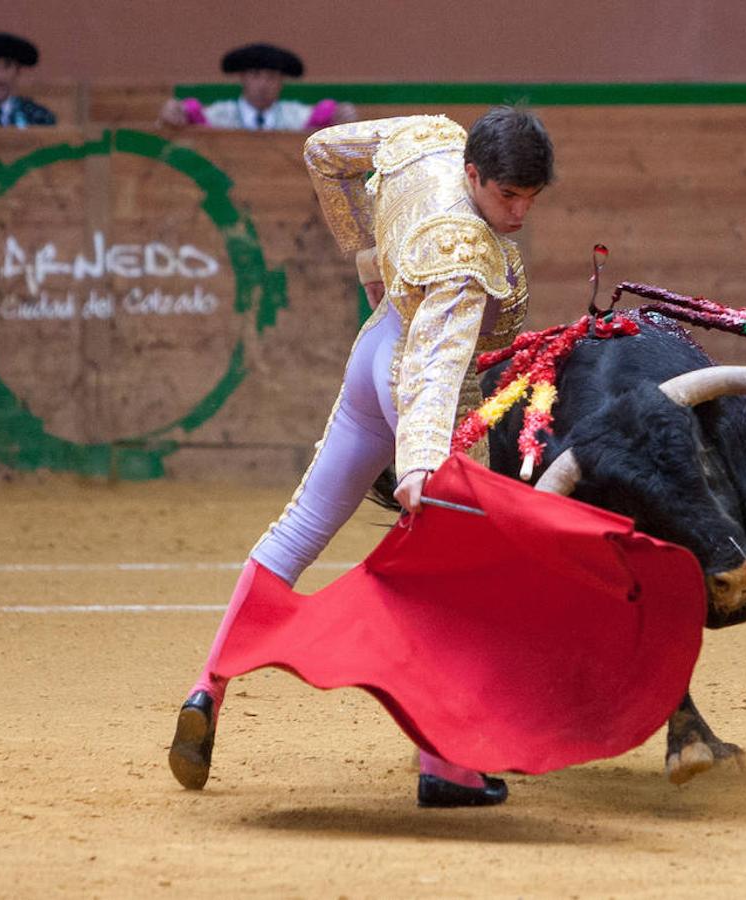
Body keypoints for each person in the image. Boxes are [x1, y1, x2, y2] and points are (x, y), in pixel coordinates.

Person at [168, 107, 554, 807]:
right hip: (414, 387)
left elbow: (323, 152)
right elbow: (436, 370)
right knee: (456, 580)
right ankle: (445, 766)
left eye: (530, 198)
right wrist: (420, 466)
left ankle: (209, 685)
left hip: (373, 346)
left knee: (300, 526)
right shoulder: (467, 255)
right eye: (506, 195)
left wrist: (366, 257)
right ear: (473, 174)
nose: (518, 212)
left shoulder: (426, 139)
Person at [158, 42, 355, 131]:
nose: (263, 84)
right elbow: (175, 121)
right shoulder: (218, 115)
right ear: (243, 78)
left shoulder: (299, 117)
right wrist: (171, 115)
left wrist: (343, 118)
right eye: (255, 75)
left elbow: (333, 125)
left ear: (281, 82)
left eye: (271, 77)